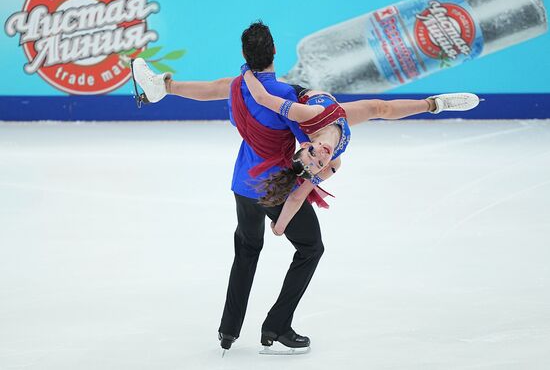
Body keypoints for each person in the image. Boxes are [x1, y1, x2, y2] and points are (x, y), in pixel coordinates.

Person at [132, 21, 323, 355]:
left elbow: (211, 89)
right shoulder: (285, 95)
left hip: (243, 185)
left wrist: (169, 85)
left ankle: (228, 331)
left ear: (244, 54)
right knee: (310, 248)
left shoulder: (238, 87)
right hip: (274, 186)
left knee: (247, 252)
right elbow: (310, 146)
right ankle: (277, 325)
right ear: (275, 50)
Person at [132, 56, 479, 237]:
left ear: (303, 147)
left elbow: (266, 99)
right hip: (336, 115)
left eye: (309, 154)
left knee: (228, 86)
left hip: (297, 99)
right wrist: (431, 105)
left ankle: (163, 88)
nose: (319, 155)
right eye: (318, 163)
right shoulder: (336, 157)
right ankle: (436, 104)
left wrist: (246, 75)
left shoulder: (307, 119)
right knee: (378, 109)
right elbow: (300, 194)